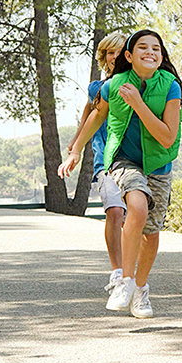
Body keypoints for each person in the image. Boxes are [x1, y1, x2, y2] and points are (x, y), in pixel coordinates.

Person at [59, 29, 182, 319]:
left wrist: (139, 105)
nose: (150, 52)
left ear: (162, 56)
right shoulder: (113, 85)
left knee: (151, 233)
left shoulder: (170, 87)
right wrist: (76, 150)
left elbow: (168, 137)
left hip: (159, 163)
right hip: (123, 159)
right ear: (129, 56)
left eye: (156, 48)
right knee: (137, 206)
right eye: (142, 47)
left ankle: (141, 289)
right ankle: (125, 281)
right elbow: (97, 115)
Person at [64, 31, 127, 293]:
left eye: (120, 51)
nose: (116, 57)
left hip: (138, 160)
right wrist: (76, 145)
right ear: (104, 58)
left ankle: (133, 271)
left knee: (137, 219)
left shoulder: (140, 85)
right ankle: (118, 272)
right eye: (110, 52)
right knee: (114, 212)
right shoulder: (97, 88)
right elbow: (91, 113)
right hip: (107, 161)